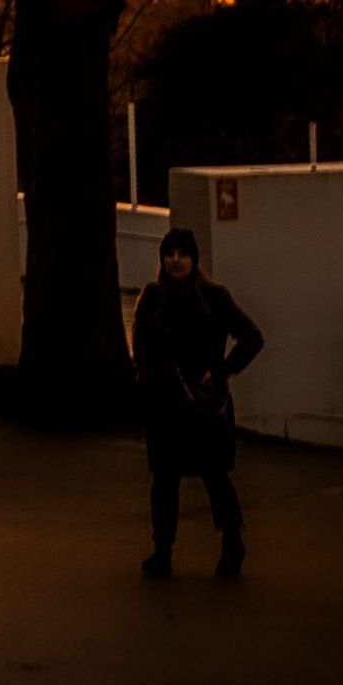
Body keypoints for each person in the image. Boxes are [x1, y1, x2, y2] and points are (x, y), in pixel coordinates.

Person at [127, 226, 261, 577]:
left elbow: (252, 337)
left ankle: (232, 543)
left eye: (183, 254)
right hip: (165, 403)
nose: (175, 260)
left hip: (205, 404)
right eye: (170, 254)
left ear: (194, 259)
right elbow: (140, 345)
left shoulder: (215, 297)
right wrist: (145, 376)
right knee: (164, 479)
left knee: (216, 477)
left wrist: (219, 372)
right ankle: (162, 549)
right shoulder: (152, 298)